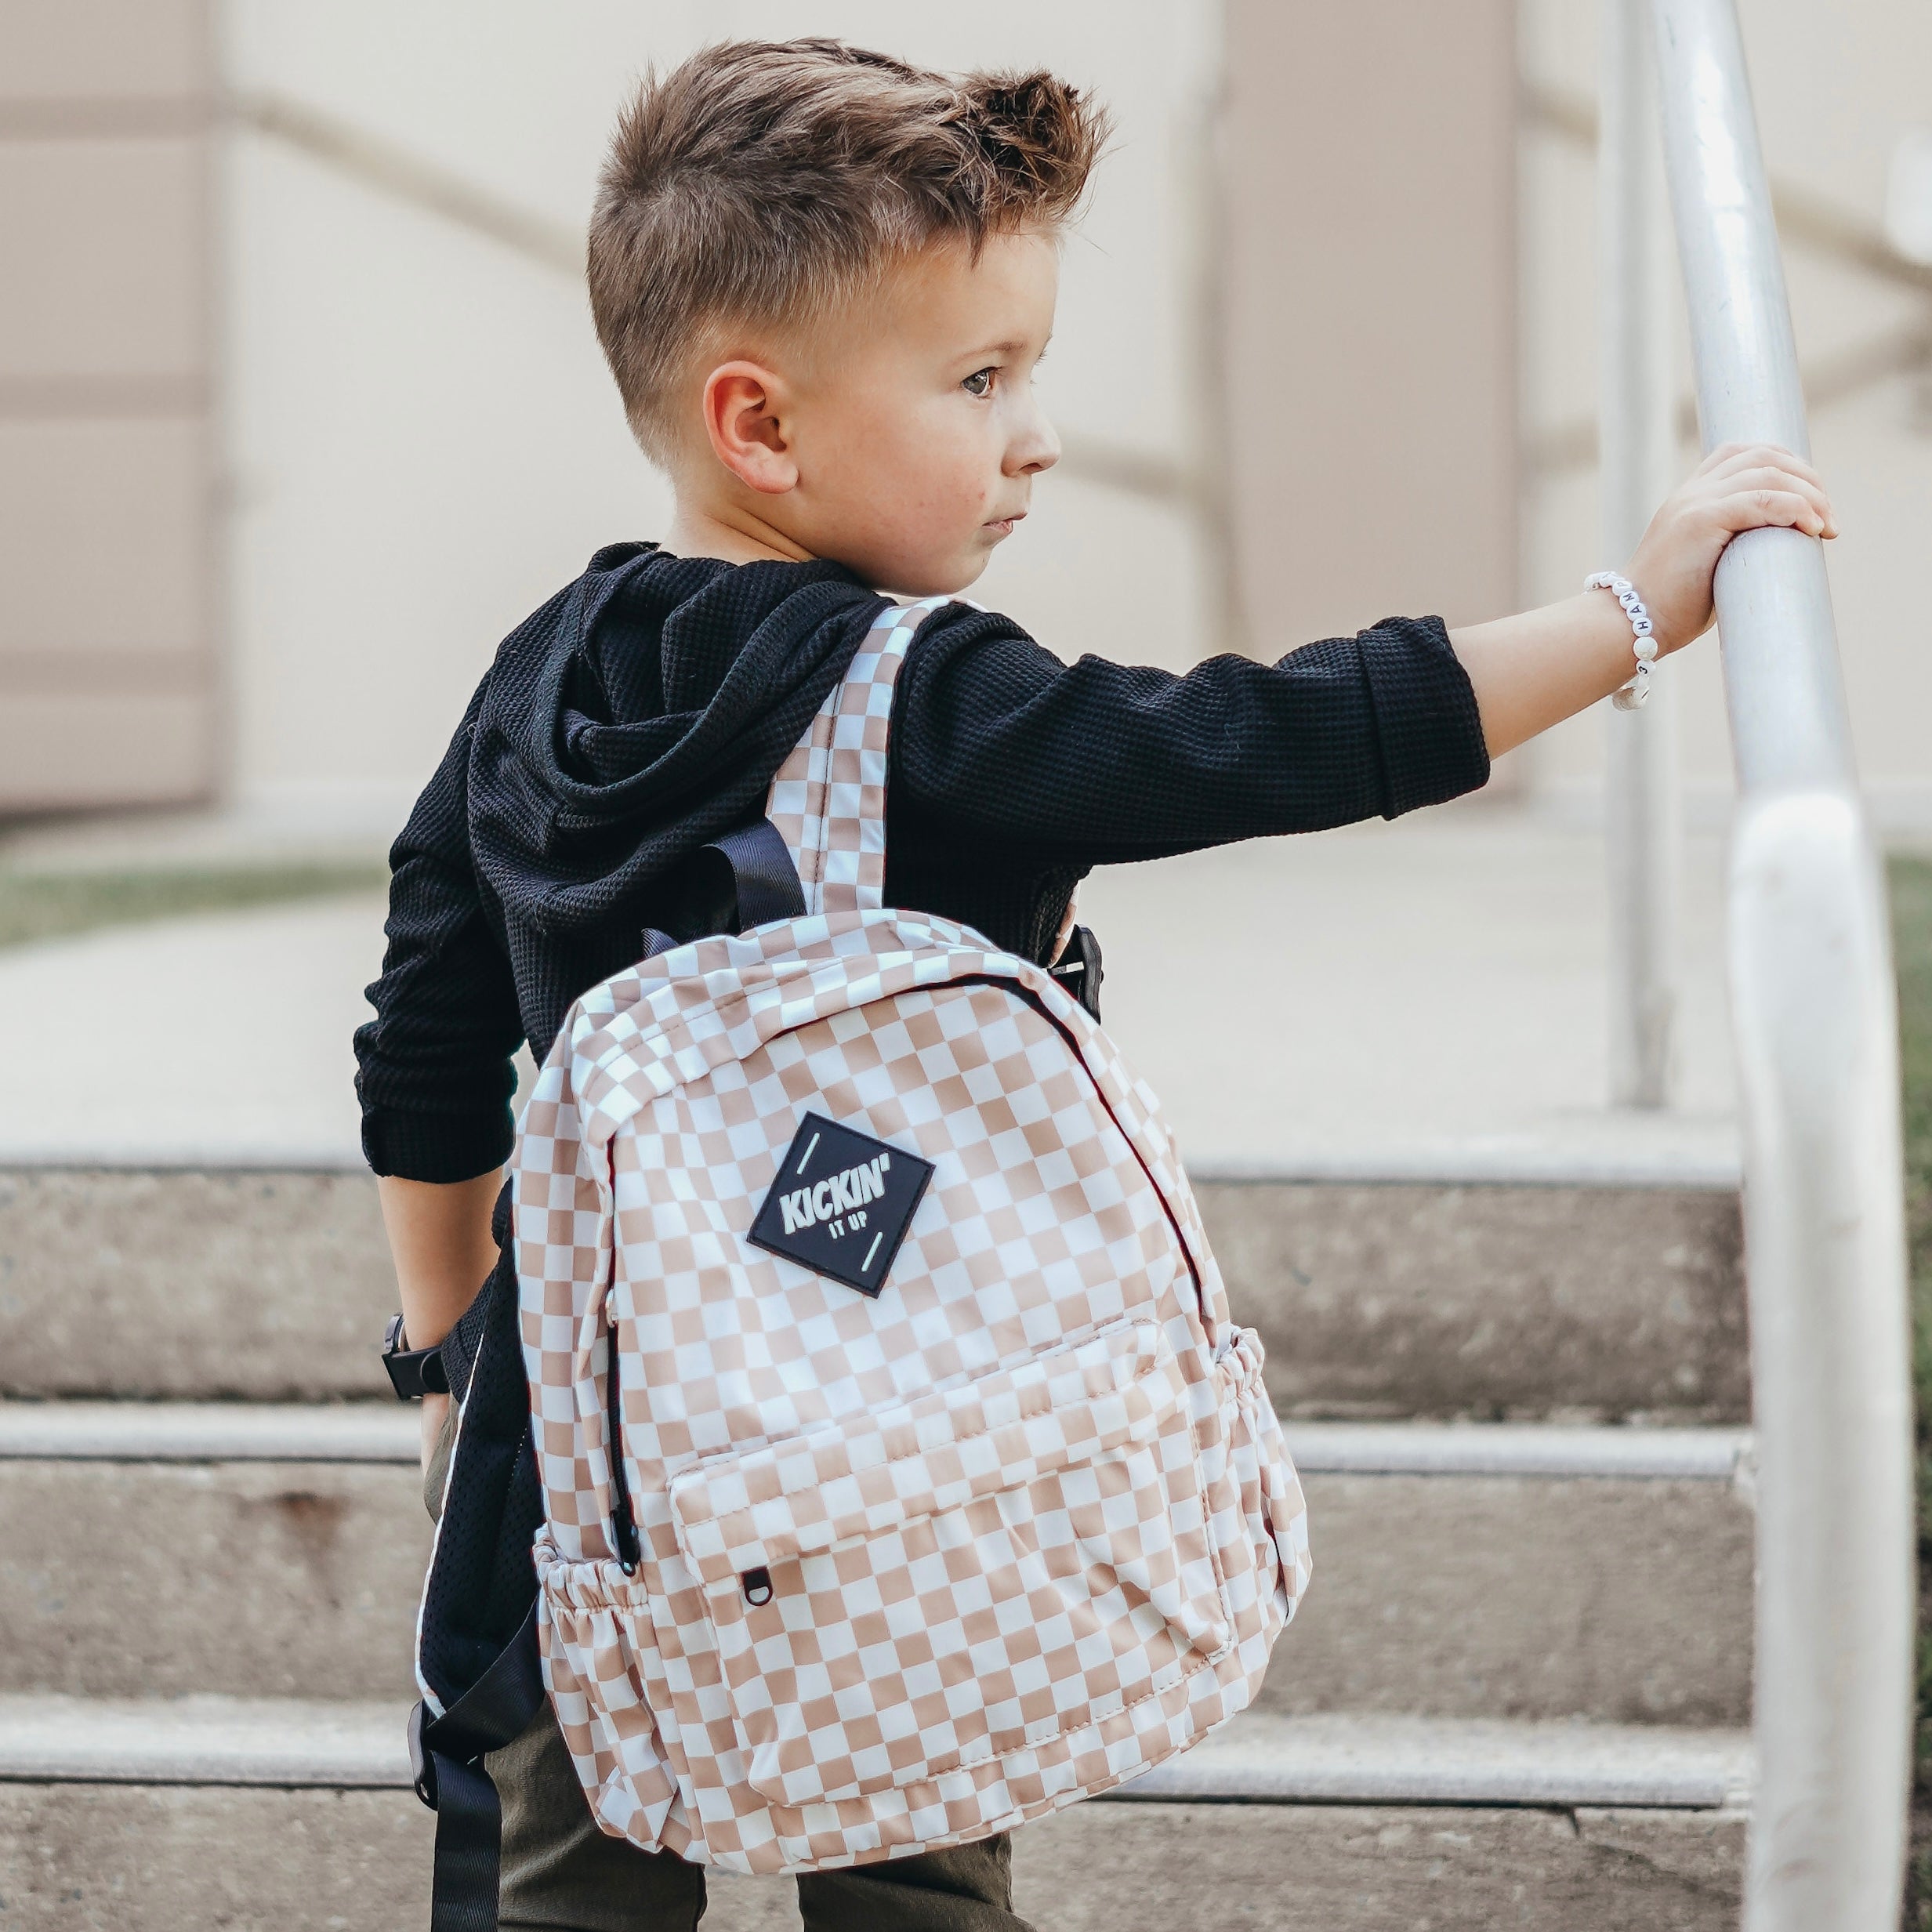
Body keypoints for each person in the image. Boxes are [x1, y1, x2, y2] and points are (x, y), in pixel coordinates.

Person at [353, 38, 1836, 1932]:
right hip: (883, 1444)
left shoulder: (531, 686)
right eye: (982, 379)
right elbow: (1260, 741)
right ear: (760, 423)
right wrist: (1633, 613)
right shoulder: (926, 698)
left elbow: (427, 1038)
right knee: (909, 1863)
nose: (1033, 432)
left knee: (568, 1880)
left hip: (576, 1430)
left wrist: (447, 1361)